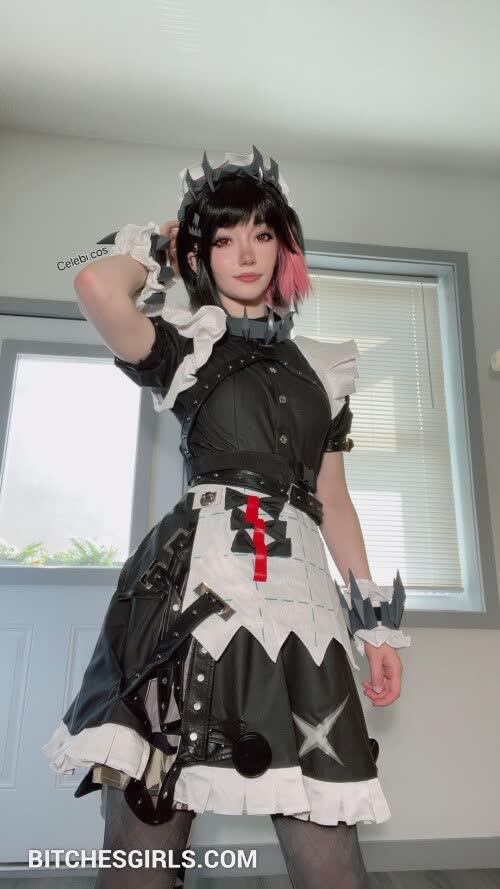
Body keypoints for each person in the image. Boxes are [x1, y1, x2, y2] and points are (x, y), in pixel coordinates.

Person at [42, 147, 411, 888]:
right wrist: (166, 238)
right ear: (200, 253)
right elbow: (93, 282)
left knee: (333, 863)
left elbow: (334, 500)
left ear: (285, 246)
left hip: (303, 609)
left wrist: (374, 626)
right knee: (142, 854)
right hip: (189, 603)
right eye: (223, 237)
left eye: (261, 233)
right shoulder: (183, 347)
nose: (245, 253)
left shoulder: (325, 368)